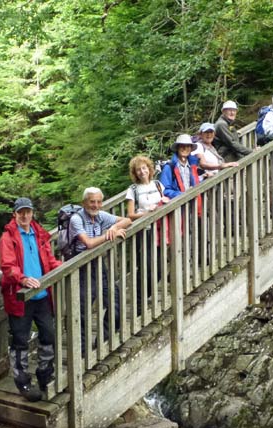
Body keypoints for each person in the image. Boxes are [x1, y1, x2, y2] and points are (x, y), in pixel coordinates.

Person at [0, 197, 62, 402]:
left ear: (32, 213)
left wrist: (61, 266)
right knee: (20, 340)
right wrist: (23, 278)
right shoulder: (7, 238)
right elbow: (8, 267)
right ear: (15, 214)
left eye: (28, 212)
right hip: (19, 297)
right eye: (21, 212)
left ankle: (45, 374)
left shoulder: (39, 234)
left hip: (42, 294)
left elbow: (48, 260)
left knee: (48, 335)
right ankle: (22, 381)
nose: (25, 216)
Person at [68, 187, 132, 347]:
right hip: (80, 267)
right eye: (92, 202)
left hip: (98, 265)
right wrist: (108, 236)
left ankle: (102, 342)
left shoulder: (100, 216)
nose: (95, 205)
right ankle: (81, 349)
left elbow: (127, 220)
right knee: (82, 308)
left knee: (115, 301)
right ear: (84, 203)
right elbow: (88, 244)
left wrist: (114, 228)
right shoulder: (76, 219)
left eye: (98, 202)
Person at [126, 156, 170, 314]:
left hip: (160, 229)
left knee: (158, 267)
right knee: (146, 267)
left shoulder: (158, 185)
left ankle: (146, 295)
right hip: (144, 232)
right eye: (138, 170)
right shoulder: (133, 190)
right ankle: (139, 302)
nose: (142, 172)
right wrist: (146, 214)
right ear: (135, 173)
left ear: (149, 169)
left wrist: (165, 202)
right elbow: (130, 215)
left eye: (144, 168)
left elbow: (167, 201)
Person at [160, 134, 202, 199]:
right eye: (182, 146)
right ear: (177, 148)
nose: (185, 148)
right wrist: (182, 194)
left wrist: (204, 177)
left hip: (194, 204)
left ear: (191, 148)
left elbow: (195, 182)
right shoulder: (169, 167)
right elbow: (165, 190)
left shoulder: (193, 165)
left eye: (188, 146)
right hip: (178, 206)